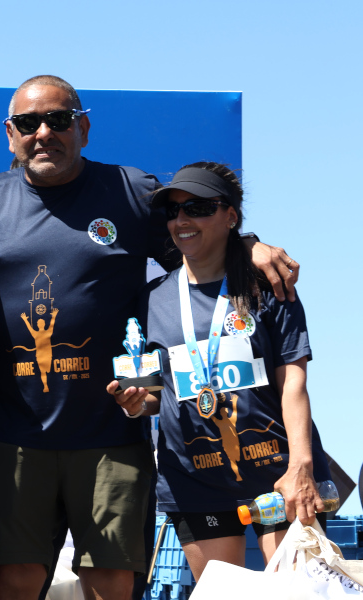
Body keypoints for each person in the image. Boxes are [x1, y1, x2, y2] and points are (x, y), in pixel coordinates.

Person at [0, 75, 301, 600]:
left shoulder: (132, 190)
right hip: (17, 436)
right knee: (13, 581)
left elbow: (197, 244)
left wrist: (249, 245)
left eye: (58, 120)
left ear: (83, 127)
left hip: (112, 435)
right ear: (9, 135)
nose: (43, 133)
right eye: (27, 123)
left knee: (111, 583)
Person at [107, 162, 330, 580]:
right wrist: (136, 404)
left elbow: (293, 383)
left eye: (198, 207)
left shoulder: (267, 285)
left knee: (297, 591)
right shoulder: (153, 298)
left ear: (231, 216)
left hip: (277, 472)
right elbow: (160, 394)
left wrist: (301, 466)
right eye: (173, 212)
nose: (182, 220)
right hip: (197, 480)